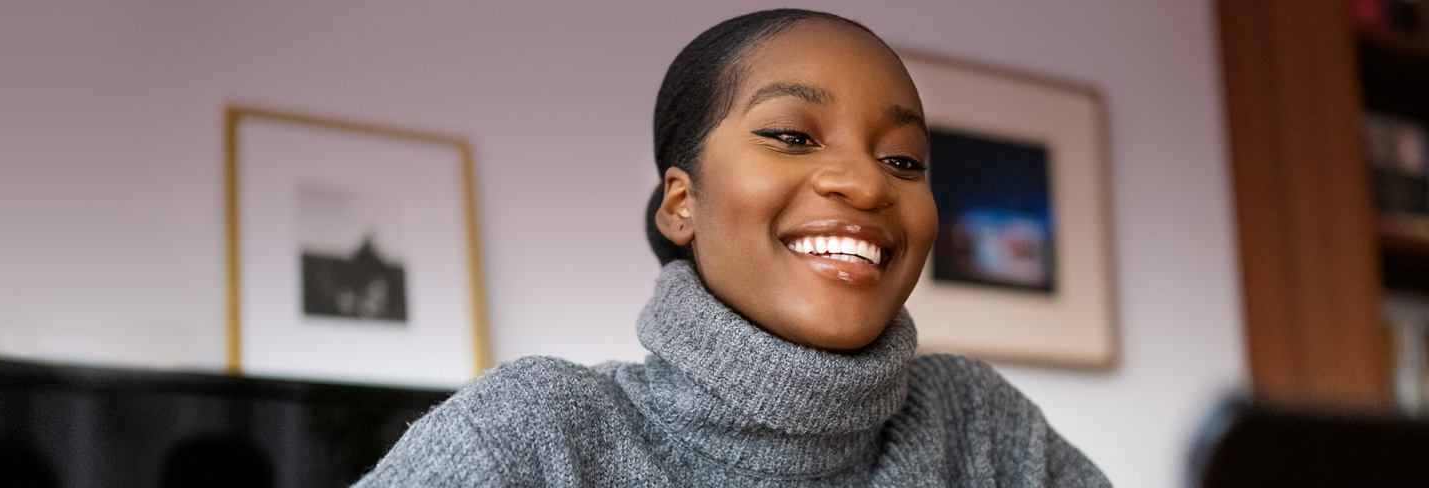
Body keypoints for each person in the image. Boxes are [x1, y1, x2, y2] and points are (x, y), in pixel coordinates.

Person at [354, 8, 1109, 487]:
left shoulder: (977, 427)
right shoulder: (539, 434)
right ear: (682, 203)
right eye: (791, 135)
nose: (866, 184)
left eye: (904, 160)